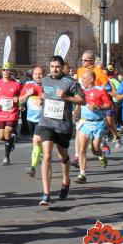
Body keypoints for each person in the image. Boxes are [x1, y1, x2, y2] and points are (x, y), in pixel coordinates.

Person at [37, 55, 84, 206]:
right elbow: (44, 95)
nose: (54, 69)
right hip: (46, 123)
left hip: (63, 125)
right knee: (47, 157)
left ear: (62, 66)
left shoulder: (71, 82)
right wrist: (41, 100)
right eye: (52, 66)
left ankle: (66, 179)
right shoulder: (45, 80)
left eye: (57, 66)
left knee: (62, 156)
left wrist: (66, 98)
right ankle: (46, 194)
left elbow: (82, 100)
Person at [74, 70, 113, 183]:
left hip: (98, 123)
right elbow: (78, 104)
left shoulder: (100, 90)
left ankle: (100, 154)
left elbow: (109, 105)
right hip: (85, 122)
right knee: (82, 150)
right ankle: (82, 174)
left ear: (91, 79)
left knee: (95, 150)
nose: (82, 80)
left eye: (83, 78)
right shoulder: (81, 92)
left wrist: (98, 107)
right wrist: (75, 114)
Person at [0, 62, 21, 166]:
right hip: (1, 112)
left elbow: (22, 96)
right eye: (4, 70)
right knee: (1, 137)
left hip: (12, 112)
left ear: (11, 71)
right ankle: (11, 140)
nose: (6, 72)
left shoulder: (17, 84)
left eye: (8, 70)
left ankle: (6, 157)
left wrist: (19, 100)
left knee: (7, 131)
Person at [20, 66, 45, 177]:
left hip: (43, 120)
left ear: (44, 75)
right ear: (33, 75)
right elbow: (20, 100)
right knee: (36, 142)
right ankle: (43, 156)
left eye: (40, 74)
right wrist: (27, 94)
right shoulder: (28, 85)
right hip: (30, 119)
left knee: (36, 141)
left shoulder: (47, 86)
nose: (38, 76)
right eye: (36, 74)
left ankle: (33, 167)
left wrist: (44, 100)